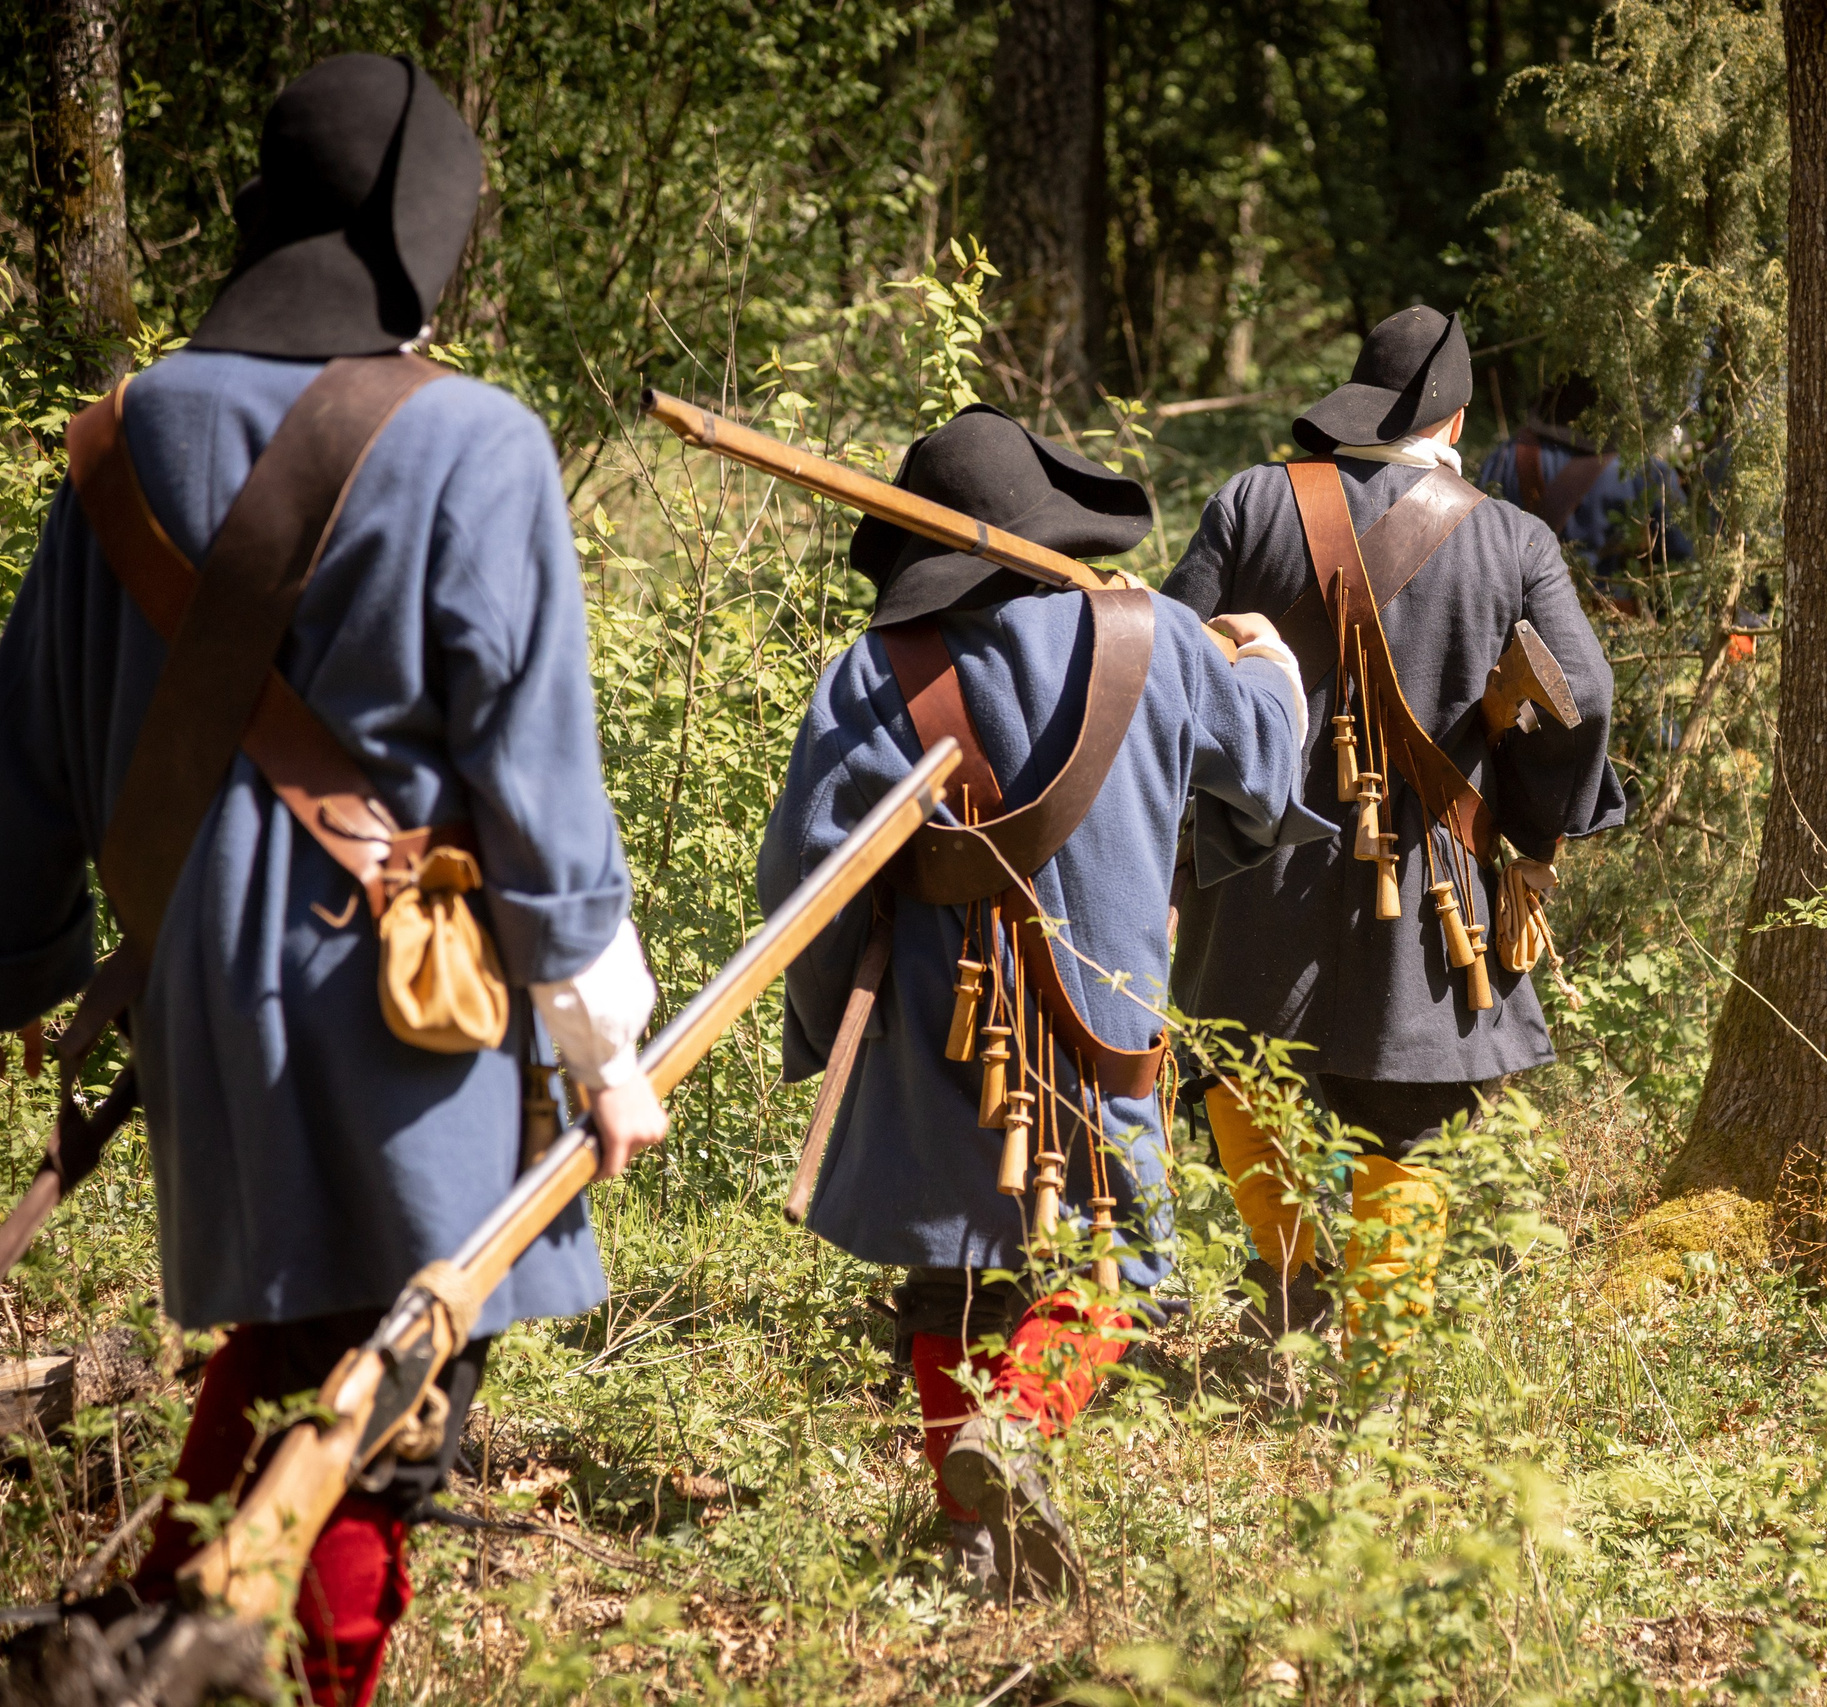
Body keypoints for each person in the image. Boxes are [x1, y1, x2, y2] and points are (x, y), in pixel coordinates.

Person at [0, 56, 664, 1706]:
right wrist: (600, 1043)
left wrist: (33, 973)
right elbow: (539, 779)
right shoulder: (477, 444)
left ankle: (125, 1651)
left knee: (312, 1357)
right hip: (410, 1012)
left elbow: (19, 761)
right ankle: (216, 1671)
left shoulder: (117, 441)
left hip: (190, 998)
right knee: (381, 1404)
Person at [758, 405, 1315, 1599]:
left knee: (944, 1272)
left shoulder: (870, 671)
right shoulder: (1159, 637)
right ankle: (1011, 1441)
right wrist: (1265, 664)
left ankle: (971, 1510)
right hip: (1106, 1031)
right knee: (1112, 1272)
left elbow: (801, 885)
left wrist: (828, 1037)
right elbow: (1264, 772)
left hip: (932, 1022)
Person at [1164, 307, 1624, 1375]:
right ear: (1455, 416)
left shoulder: (1248, 501)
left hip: (1252, 858)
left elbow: (1171, 668)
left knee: (1243, 1075)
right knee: (1406, 1124)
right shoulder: (1512, 538)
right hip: (1432, 882)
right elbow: (1585, 700)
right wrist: (1533, 827)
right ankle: (1374, 1373)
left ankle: (1292, 1292)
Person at [1478, 374, 1694, 614]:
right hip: (1617, 639)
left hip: (1518, 633)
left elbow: (1478, 551)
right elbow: (1684, 576)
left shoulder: (1506, 458)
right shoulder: (1649, 474)